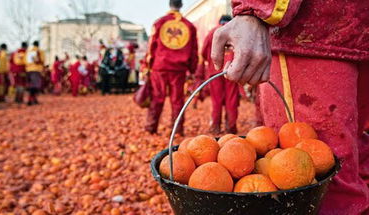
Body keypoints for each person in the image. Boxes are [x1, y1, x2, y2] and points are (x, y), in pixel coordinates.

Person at [211, 1, 369, 214]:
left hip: (313, 32)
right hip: (356, 31)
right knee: (351, 165)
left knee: (316, 187)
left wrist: (254, 9)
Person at [145, 0, 198, 135]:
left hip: (160, 67)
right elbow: (193, 51)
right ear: (181, 5)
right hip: (179, 69)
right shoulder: (189, 26)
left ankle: (151, 128)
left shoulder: (159, 23)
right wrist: (192, 70)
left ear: (170, 5)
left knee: (157, 97)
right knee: (177, 100)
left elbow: (151, 47)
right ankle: (177, 131)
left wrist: (148, 66)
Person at [197, 15, 239, 134]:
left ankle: (215, 128)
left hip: (215, 71)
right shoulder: (235, 31)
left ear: (219, 21)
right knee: (232, 100)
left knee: (216, 101)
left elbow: (204, 53)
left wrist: (212, 63)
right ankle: (231, 127)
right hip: (232, 70)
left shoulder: (212, 32)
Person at [25, 41, 45, 105]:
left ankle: (33, 99)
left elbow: (25, 61)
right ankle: (30, 100)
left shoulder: (28, 51)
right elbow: (42, 60)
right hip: (36, 70)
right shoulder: (40, 51)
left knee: (31, 85)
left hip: (28, 70)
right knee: (35, 86)